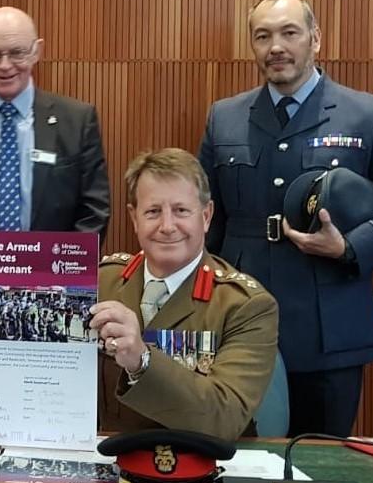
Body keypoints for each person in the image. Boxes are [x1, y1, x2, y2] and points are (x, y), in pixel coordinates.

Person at [198, 0, 373, 437]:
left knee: (320, 474)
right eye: (263, 36)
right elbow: (205, 219)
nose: (276, 48)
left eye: (289, 32)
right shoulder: (224, 118)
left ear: (315, 38)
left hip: (330, 329)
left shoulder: (366, 115)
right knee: (238, 471)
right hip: (239, 325)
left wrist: (349, 247)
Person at [90, 149, 278, 442]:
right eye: (153, 212)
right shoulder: (100, 282)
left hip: (204, 471)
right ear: (134, 218)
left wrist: (142, 361)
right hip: (112, 465)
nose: (167, 226)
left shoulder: (246, 305)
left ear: (206, 216)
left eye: (181, 211)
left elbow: (224, 417)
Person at [0, 6, 109, 235]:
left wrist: (69, 267)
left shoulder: (77, 121)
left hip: (52, 268)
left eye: (17, 53)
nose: (5, 65)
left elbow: (95, 208)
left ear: (37, 51)